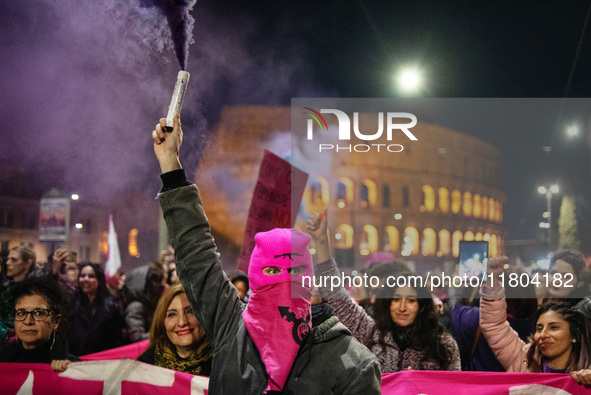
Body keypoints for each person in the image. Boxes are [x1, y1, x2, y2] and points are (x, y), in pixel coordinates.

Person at [152, 115, 381, 394]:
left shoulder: (352, 362)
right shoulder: (231, 328)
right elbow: (197, 255)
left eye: (294, 271)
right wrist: (170, 165)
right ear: (255, 276)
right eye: (272, 271)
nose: (284, 281)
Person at [307, 210, 461, 373]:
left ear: (422, 305)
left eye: (411, 300)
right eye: (396, 299)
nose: (402, 307)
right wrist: (322, 241)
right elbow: (336, 296)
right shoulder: (370, 332)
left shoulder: (444, 345)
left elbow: (453, 386)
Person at [480, 275, 591, 386]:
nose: (543, 334)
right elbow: (494, 325)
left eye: (554, 327)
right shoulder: (522, 358)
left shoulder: (587, 373)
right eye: (539, 329)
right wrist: (492, 288)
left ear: (574, 336)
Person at [0, 277, 80, 371]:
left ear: (56, 321)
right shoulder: (3, 360)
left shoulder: (73, 367)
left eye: (39, 313)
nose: (28, 321)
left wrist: (70, 372)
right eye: (21, 313)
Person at [138, 283, 213, 375]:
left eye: (190, 311)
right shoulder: (146, 364)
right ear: (162, 322)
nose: (182, 322)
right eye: (172, 314)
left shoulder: (225, 362)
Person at [67, 263, 126, 355]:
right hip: (76, 360)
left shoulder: (111, 306)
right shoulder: (71, 303)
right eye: (82, 276)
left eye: (91, 276)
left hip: (103, 361)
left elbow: (117, 338)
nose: (85, 279)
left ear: (99, 280)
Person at [122, 261, 166, 342]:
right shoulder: (136, 307)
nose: (160, 286)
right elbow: (137, 337)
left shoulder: (151, 303)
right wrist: (163, 334)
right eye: (156, 282)